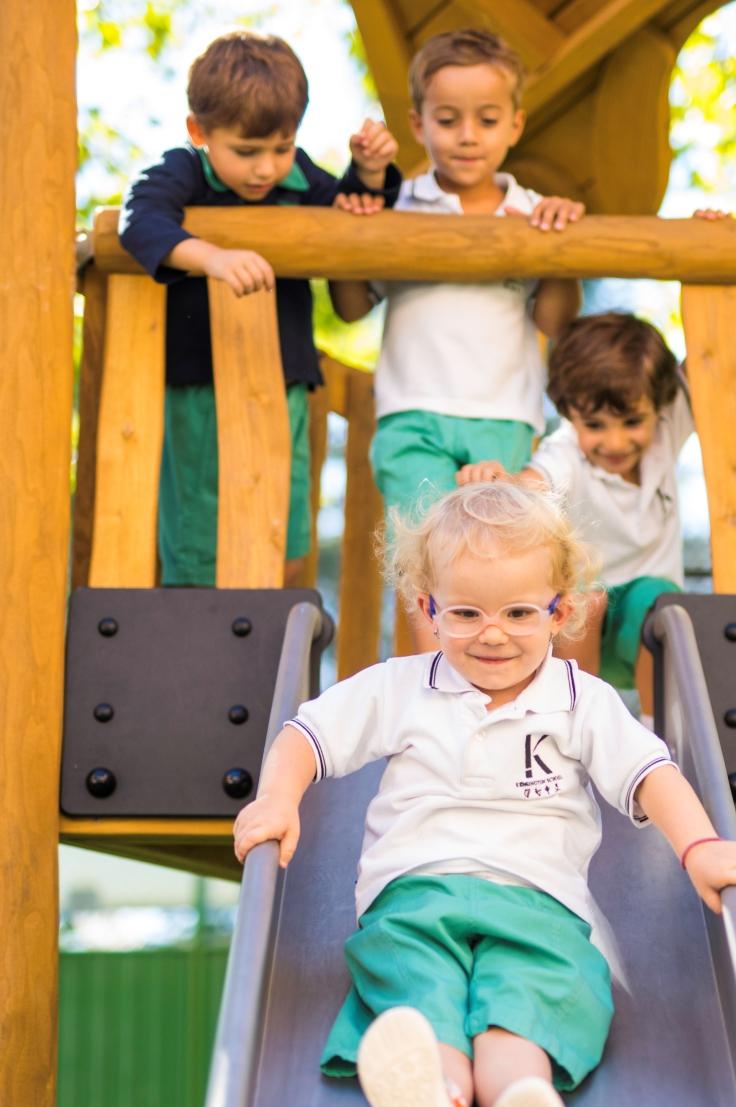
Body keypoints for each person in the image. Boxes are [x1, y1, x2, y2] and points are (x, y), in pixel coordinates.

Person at [232, 483, 736, 1107]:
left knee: (530, 995)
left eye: (518, 612)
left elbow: (649, 775)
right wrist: (277, 799)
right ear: (427, 609)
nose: (492, 633)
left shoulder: (581, 700)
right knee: (422, 996)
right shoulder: (399, 687)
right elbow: (307, 734)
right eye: (465, 613)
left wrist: (699, 846)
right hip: (414, 892)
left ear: (560, 611)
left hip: (538, 901)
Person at [328, 28, 586, 650]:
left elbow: (555, 321)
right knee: (428, 562)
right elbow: (350, 305)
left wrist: (562, 250)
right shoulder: (397, 208)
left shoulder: (531, 213)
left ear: (515, 125)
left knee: (500, 563)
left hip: (501, 417)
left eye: (487, 118)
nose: (468, 134)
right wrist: (350, 239)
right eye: (448, 119)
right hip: (411, 416)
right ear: (418, 124)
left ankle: (505, 701)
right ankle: (434, 700)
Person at [118, 30, 401, 587]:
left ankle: (269, 640)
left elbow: (351, 212)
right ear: (200, 132)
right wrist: (211, 256)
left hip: (284, 382)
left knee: (286, 521)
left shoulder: (299, 180)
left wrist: (368, 173)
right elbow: (138, 218)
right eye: (245, 152)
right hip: (201, 384)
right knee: (201, 525)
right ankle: (198, 631)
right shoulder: (186, 171)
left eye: (281, 147)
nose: (265, 169)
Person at [458, 313, 692, 720]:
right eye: (595, 425)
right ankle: (573, 722)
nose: (615, 441)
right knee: (585, 591)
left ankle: (662, 734)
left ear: (659, 408)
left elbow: (709, 364)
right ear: (570, 414)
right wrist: (500, 482)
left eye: (632, 422)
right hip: (579, 626)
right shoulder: (566, 452)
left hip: (644, 631)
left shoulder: (668, 428)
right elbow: (534, 483)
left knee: (661, 599)